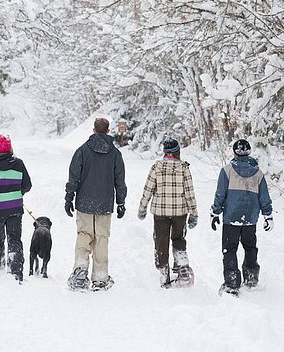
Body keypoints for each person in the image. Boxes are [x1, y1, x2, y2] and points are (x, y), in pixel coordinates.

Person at [65, 117, 127, 291]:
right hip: (105, 205)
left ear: (93, 130)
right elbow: (119, 181)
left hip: (84, 201)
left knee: (84, 236)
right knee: (101, 239)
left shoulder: (82, 151)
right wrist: (121, 202)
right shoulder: (115, 154)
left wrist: (69, 197)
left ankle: (79, 273)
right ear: (108, 131)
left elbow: (73, 176)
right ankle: (100, 278)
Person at [210, 138, 273, 296]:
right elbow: (264, 197)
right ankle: (251, 279)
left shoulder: (227, 170)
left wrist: (215, 212)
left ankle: (232, 284)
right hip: (250, 218)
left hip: (231, 218)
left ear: (234, 152)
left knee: (229, 250)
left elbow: (220, 194)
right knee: (250, 247)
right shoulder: (258, 173)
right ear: (249, 152)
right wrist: (268, 215)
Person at [138, 137, 198, 288]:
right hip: (180, 212)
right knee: (178, 239)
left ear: (164, 152)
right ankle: (182, 267)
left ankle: (164, 272)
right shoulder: (184, 168)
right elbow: (189, 192)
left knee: (161, 241)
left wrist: (142, 208)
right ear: (177, 152)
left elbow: (148, 189)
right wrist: (193, 213)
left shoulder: (156, 167)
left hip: (160, 212)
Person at [0, 134, 32, 283]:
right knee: (15, 240)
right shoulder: (19, 164)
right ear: (10, 147)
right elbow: (27, 185)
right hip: (15, 209)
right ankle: (16, 273)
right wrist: (17, 192)